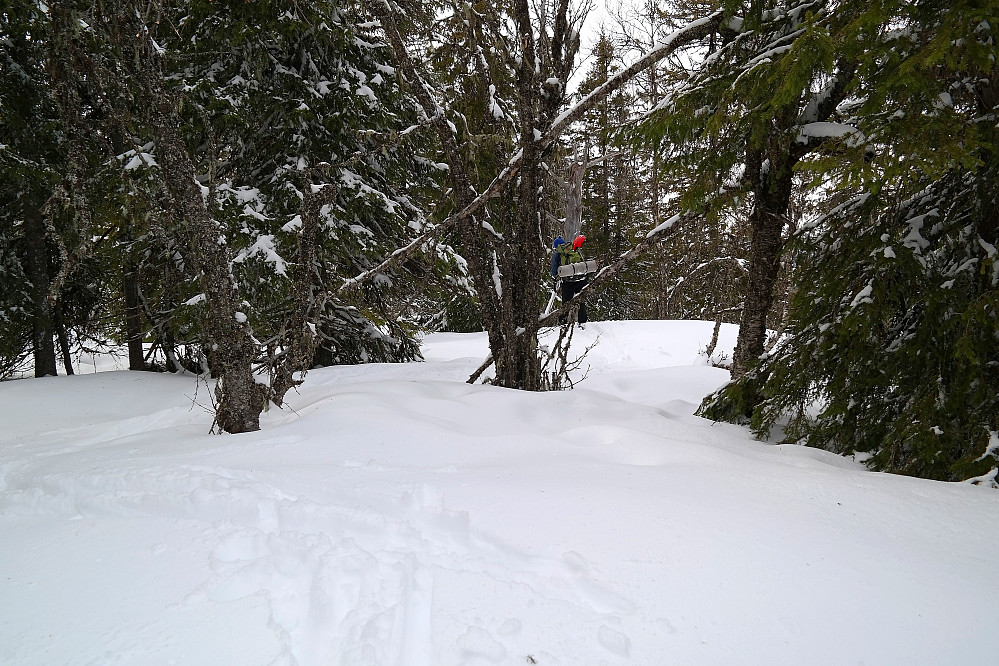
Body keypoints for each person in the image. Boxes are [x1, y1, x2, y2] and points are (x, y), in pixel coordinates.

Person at [551, 235, 588, 325]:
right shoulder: (575, 248)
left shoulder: (557, 254)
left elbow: (554, 270)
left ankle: (563, 322)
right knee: (581, 301)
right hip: (581, 279)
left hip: (568, 281)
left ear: (556, 246)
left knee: (566, 303)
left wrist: (555, 278)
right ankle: (582, 322)